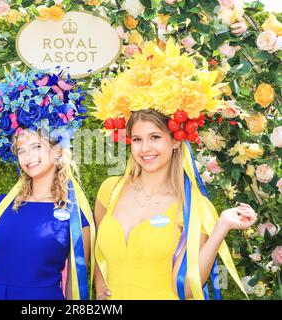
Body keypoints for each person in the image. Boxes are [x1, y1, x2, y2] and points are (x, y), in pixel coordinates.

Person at [90, 38, 258, 300]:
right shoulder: (110, 191)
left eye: (155, 137)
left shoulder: (193, 206)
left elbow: (189, 289)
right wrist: (100, 292)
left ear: (176, 141)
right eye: (137, 139)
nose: (145, 148)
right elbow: (99, 259)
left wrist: (221, 226)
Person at [0, 69, 95, 300]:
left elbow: (76, 288)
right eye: (21, 150)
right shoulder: (2, 206)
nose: (27, 156)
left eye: (36, 147)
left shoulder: (75, 215)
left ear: (56, 151)